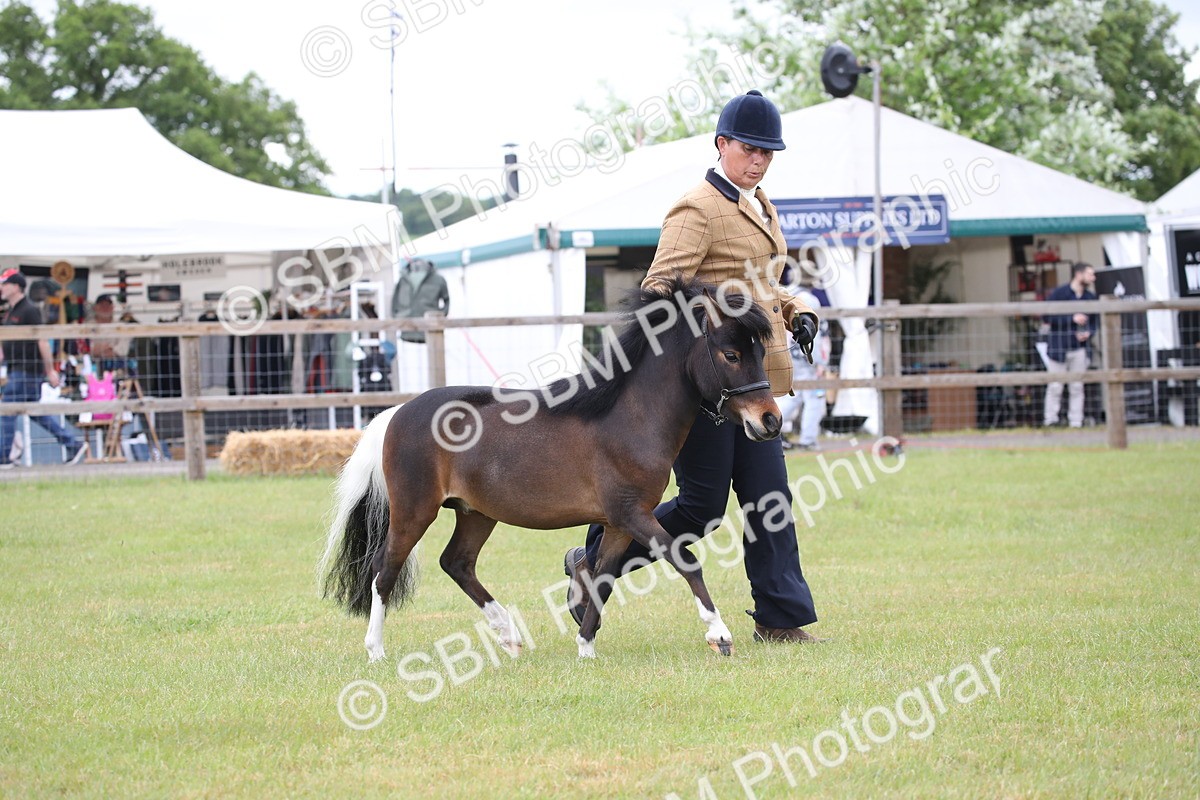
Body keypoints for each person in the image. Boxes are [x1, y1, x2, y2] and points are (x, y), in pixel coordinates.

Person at [563, 90, 825, 644]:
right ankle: (592, 563)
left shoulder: (761, 204)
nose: (758, 161)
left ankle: (780, 619)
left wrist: (797, 309)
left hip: (754, 383)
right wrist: (720, 309)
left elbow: (764, 284)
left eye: (768, 153)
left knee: (770, 501)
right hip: (708, 389)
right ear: (722, 144)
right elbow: (660, 289)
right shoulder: (697, 208)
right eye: (750, 149)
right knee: (703, 509)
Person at [1, 270, 88, 468]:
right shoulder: (12, 311)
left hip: (27, 369)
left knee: (7, 411)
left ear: (16, 286)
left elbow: (43, 341)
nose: (2, 288)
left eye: (5, 284)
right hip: (17, 369)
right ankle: (72, 443)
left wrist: (50, 370)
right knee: (36, 412)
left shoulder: (29, 310)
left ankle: (3, 457)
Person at [1042, 262, 1098, 428]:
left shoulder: (1090, 297)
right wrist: (1070, 319)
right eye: (1090, 274)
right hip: (1059, 347)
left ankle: (1076, 421)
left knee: (1077, 386)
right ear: (1078, 274)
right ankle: (1051, 420)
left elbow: (1095, 321)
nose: (1092, 278)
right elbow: (1047, 317)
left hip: (1079, 348)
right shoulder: (1059, 293)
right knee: (1055, 386)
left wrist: (1089, 333)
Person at [777, 286, 828, 450]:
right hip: (807, 356)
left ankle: (773, 425)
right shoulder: (811, 301)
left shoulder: (788, 295)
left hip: (792, 355)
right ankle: (808, 439)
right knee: (814, 399)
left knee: (794, 397)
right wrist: (820, 362)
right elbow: (816, 332)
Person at [86, 294, 132, 375]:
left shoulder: (122, 327)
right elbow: (86, 350)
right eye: (101, 305)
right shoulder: (85, 327)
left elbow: (122, 351)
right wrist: (107, 348)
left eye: (108, 305)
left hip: (117, 368)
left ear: (112, 308)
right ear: (95, 308)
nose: (105, 308)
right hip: (91, 368)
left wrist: (99, 350)